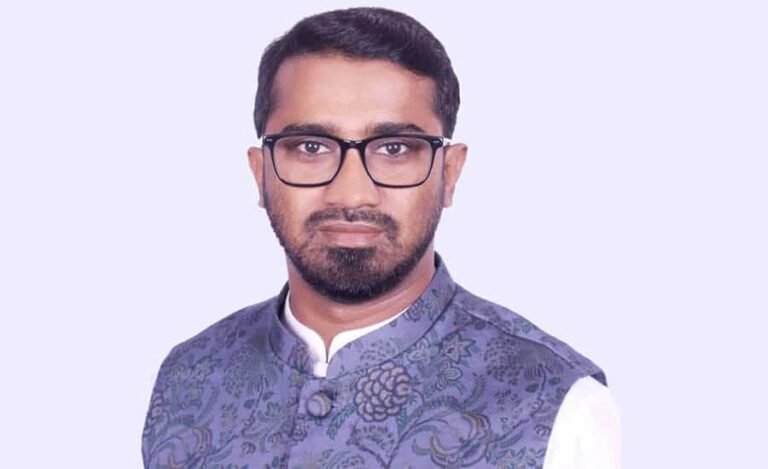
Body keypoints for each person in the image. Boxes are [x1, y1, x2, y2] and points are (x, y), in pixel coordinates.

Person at [142, 7, 620, 468]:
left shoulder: (555, 404)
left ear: (449, 173)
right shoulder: (188, 377)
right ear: (260, 173)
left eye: (394, 149)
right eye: (311, 146)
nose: (352, 193)